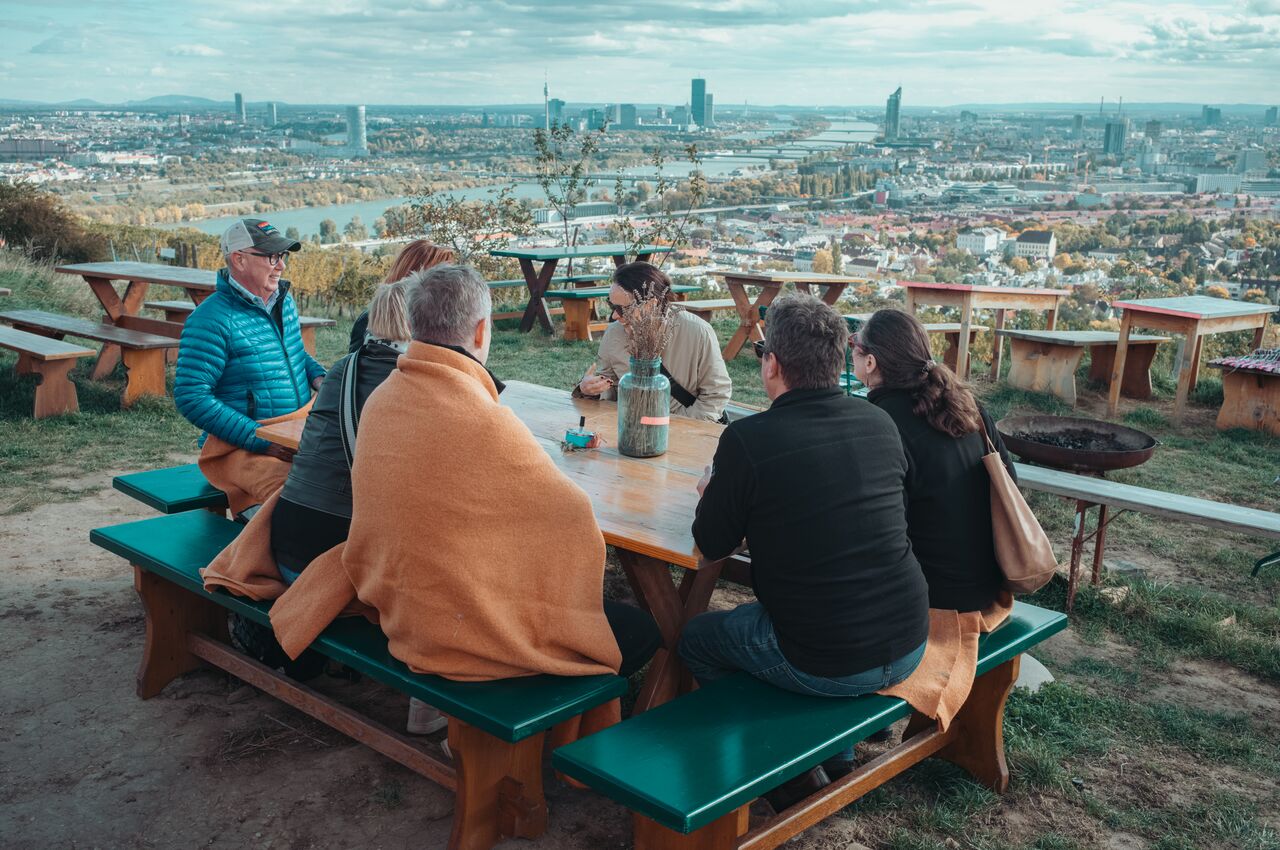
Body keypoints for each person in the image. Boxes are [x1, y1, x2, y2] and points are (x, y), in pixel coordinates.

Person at [268, 265, 660, 696]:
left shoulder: (384, 397)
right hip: (455, 624)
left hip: (398, 597)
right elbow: (570, 517)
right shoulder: (485, 420)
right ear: (480, 331)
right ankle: (526, 735)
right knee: (643, 631)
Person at [678, 293, 929, 810]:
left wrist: (714, 491)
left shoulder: (749, 439)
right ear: (839, 361)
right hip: (908, 639)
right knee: (800, 625)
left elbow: (711, 544)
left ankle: (784, 774)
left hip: (825, 659)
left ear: (772, 363)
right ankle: (833, 755)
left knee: (697, 638)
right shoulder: (880, 423)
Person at [853, 309, 1016, 613]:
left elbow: (876, 531)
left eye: (854, 344)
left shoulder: (879, 423)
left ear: (870, 362)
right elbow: (1010, 484)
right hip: (987, 585)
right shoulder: (969, 406)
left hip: (931, 598)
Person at [174, 218, 327, 514]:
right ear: (239, 260)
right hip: (240, 448)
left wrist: (320, 377)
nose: (280, 265)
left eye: (282, 256)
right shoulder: (211, 319)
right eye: (271, 256)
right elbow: (191, 396)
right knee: (293, 501)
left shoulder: (284, 301)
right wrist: (257, 439)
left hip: (290, 434)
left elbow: (292, 354)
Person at [576, 262, 731, 423]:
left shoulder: (698, 331)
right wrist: (589, 389)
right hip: (631, 428)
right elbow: (610, 386)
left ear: (651, 304)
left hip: (684, 427)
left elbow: (716, 394)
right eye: (611, 306)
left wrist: (679, 427)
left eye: (622, 309)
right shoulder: (614, 333)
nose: (615, 316)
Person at [347, 240, 455, 352]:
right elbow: (357, 365)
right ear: (414, 275)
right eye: (442, 276)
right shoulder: (370, 320)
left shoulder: (442, 321)